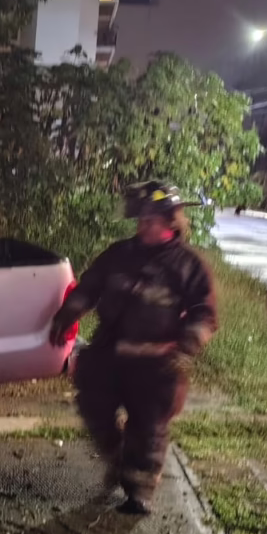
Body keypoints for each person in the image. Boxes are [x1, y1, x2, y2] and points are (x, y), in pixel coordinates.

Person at [48, 181, 218, 516]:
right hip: (108, 355)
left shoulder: (189, 265)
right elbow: (90, 287)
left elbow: (205, 313)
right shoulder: (118, 254)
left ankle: (139, 491)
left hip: (157, 365)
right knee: (93, 407)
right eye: (141, 218)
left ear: (171, 221)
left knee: (148, 429)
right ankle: (118, 457)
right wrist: (69, 313)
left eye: (151, 219)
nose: (143, 225)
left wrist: (188, 344)